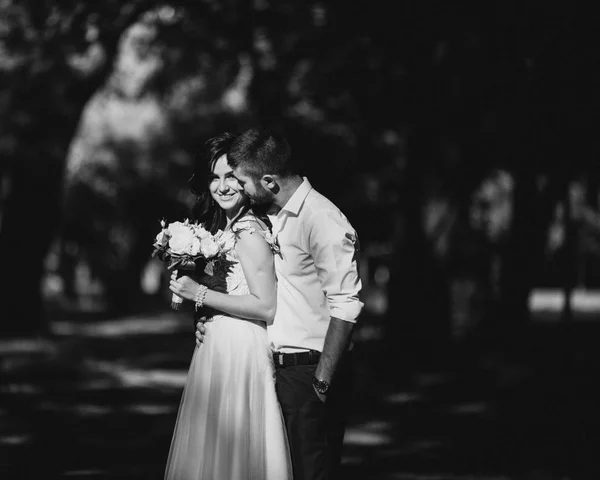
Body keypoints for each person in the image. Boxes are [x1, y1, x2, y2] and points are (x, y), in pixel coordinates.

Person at [196, 127, 364, 480]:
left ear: (269, 181)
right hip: (282, 370)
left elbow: (346, 304)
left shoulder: (322, 219)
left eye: (243, 181)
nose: (238, 188)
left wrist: (321, 382)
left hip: (311, 371)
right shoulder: (276, 215)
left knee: (312, 472)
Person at [164, 132, 292, 480]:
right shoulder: (226, 228)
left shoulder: (249, 232)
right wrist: (203, 313)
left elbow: (266, 306)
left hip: (241, 350)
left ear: (246, 180)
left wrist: (199, 295)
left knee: (237, 450)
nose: (222, 186)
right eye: (214, 177)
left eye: (231, 177)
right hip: (218, 348)